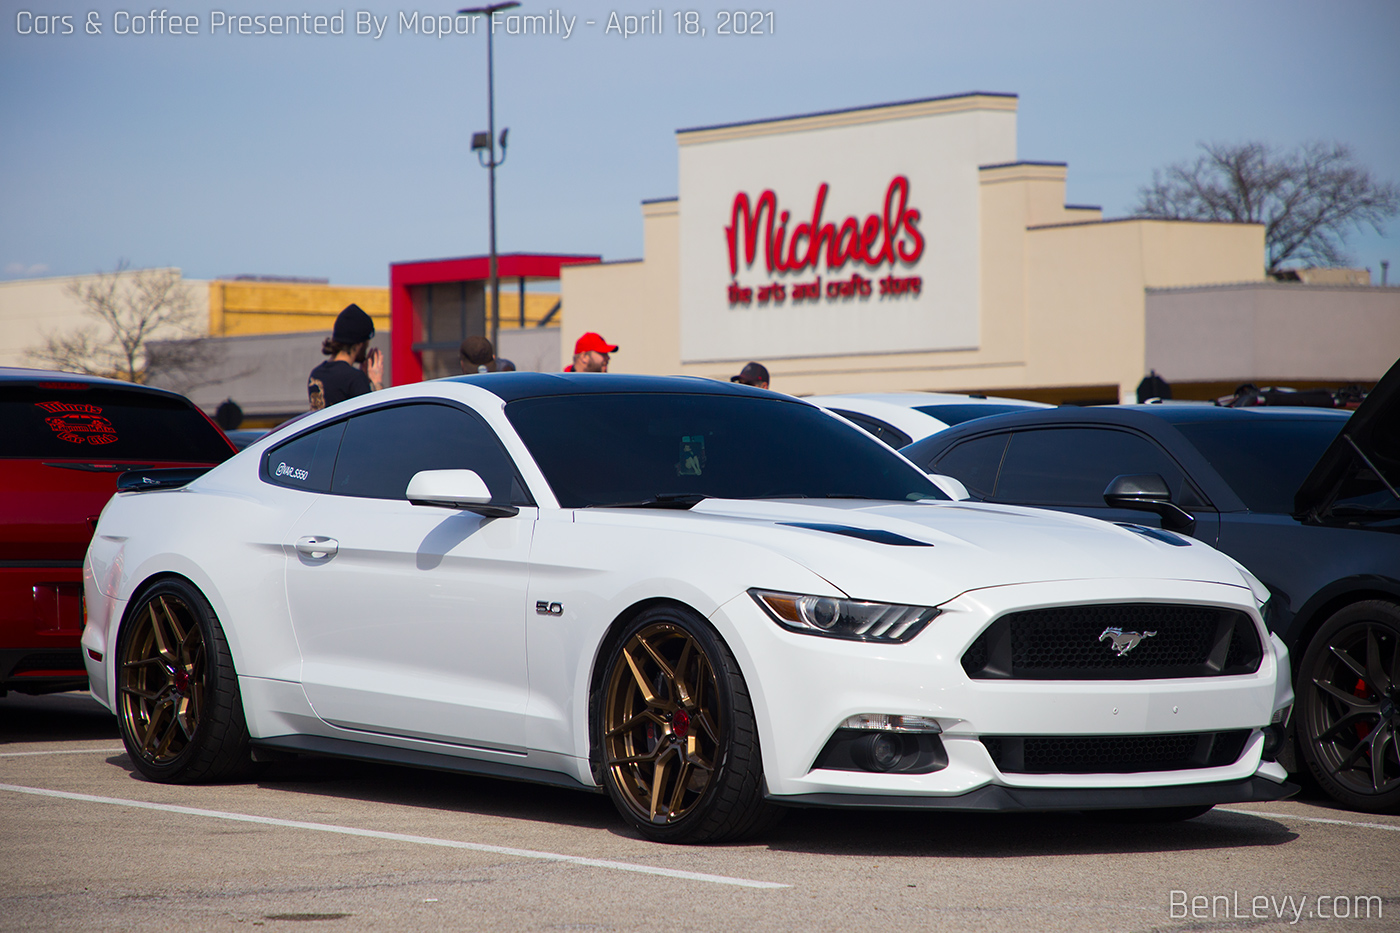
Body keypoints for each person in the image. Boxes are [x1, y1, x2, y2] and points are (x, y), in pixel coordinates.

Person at [307, 303, 382, 411]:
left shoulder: (316, 374)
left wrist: (364, 381)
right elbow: (376, 417)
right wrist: (377, 383)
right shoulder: (354, 378)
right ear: (358, 345)